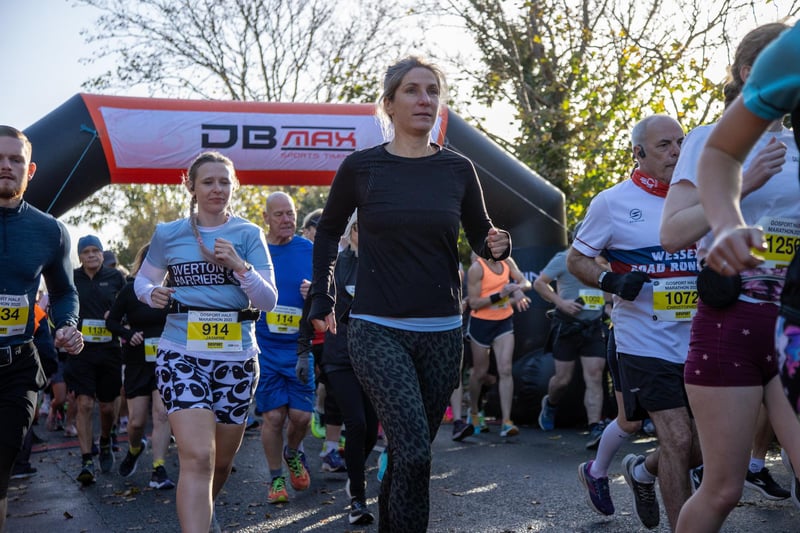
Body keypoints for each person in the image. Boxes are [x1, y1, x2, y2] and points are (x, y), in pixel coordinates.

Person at [308, 56, 511, 532]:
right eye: (413, 91)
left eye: (432, 91)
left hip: (441, 331)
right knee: (416, 451)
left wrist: (496, 244)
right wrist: (324, 296)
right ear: (390, 103)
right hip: (377, 329)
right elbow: (328, 234)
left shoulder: (457, 168)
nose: (425, 100)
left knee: (408, 452)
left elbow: (480, 233)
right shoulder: (362, 167)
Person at [660, 23, 795, 516]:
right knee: (723, 489)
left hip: (793, 322)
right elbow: (673, 232)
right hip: (731, 319)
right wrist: (747, 182)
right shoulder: (708, 141)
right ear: (749, 73)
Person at [567, 114, 702, 530]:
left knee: (708, 447)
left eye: (680, 143)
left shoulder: (701, 196)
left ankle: (643, 471)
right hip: (644, 341)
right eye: (664, 145)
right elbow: (577, 259)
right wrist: (611, 279)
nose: (676, 152)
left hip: (700, 339)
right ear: (638, 153)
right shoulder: (612, 202)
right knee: (676, 439)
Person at [134, 151, 277, 532]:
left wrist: (239, 267)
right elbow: (142, 281)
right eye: (209, 182)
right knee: (198, 456)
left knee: (221, 461)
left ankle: (202, 513)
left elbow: (268, 300)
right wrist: (152, 294)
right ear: (191, 187)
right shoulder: (169, 233)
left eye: (224, 182)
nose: (217, 189)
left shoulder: (248, 235)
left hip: (238, 358)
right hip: (182, 353)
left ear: (234, 187)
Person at [0, 125, 83, 532]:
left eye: (15, 159)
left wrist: (67, 325)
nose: (6, 166)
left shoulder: (50, 230)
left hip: (15, 368)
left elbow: (65, 292)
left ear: (29, 170)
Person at [298, 210, 379, 525]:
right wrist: (303, 353)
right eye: (359, 227)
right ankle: (358, 499)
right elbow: (311, 309)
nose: (365, 233)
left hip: (375, 358)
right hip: (340, 358)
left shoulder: (382, 265)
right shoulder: (335, 265)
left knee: (371, 430)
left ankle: (354, 470)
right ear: (351, 231)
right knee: (356, 424)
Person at [254, 191, 316, 504]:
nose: (287, 220)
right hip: (264, 348)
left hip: (299, 348)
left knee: (302, 417)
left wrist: (315, 293)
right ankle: (276, 479)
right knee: (274, 418)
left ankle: (293, 453)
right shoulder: (256, 251)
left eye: (290, 213)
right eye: (279, 214)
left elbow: (327, 293)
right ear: (266, 218)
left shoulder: (309, 250)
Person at [107, 243, 175, 490]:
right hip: (136, 361)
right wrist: (128, 333)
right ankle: (136, 447)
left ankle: (159, 468)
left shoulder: (172, 291)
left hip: (165, 360)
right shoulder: (130, 290)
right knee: (136, 422)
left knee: (162, 414)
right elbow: (112, 322)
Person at [534, 224, 608, 448]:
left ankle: (595, 426)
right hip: (567, 326)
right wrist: (561, 303)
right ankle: (551, 404)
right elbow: (539, 283)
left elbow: (607, 290)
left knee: (594, 376)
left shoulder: (601, 262)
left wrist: (608, 304)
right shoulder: (564, 258)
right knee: (562, 380)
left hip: (593, 325)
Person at [65, 234, 126, 484]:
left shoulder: (115, 278)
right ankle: (86, 459)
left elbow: (127, 307)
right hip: (81, 351)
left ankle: (105, 439)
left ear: (102, 253)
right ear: (80, 256)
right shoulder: (71, 278)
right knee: (85, 403)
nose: (91, 255)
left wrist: (119, 315)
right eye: (86, 251)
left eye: (95, 251)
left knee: (107, 407)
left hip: (109, 350)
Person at [467, 253, 531, 437]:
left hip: (504, 321)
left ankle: (506, 421)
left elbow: (527, 283)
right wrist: (500, 295)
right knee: (479, 373)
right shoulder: (477, 268)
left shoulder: (507, 261)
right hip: (481, 323)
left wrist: (517, 289)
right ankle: (473, 411)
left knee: (505, 369)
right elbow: (474, 303)